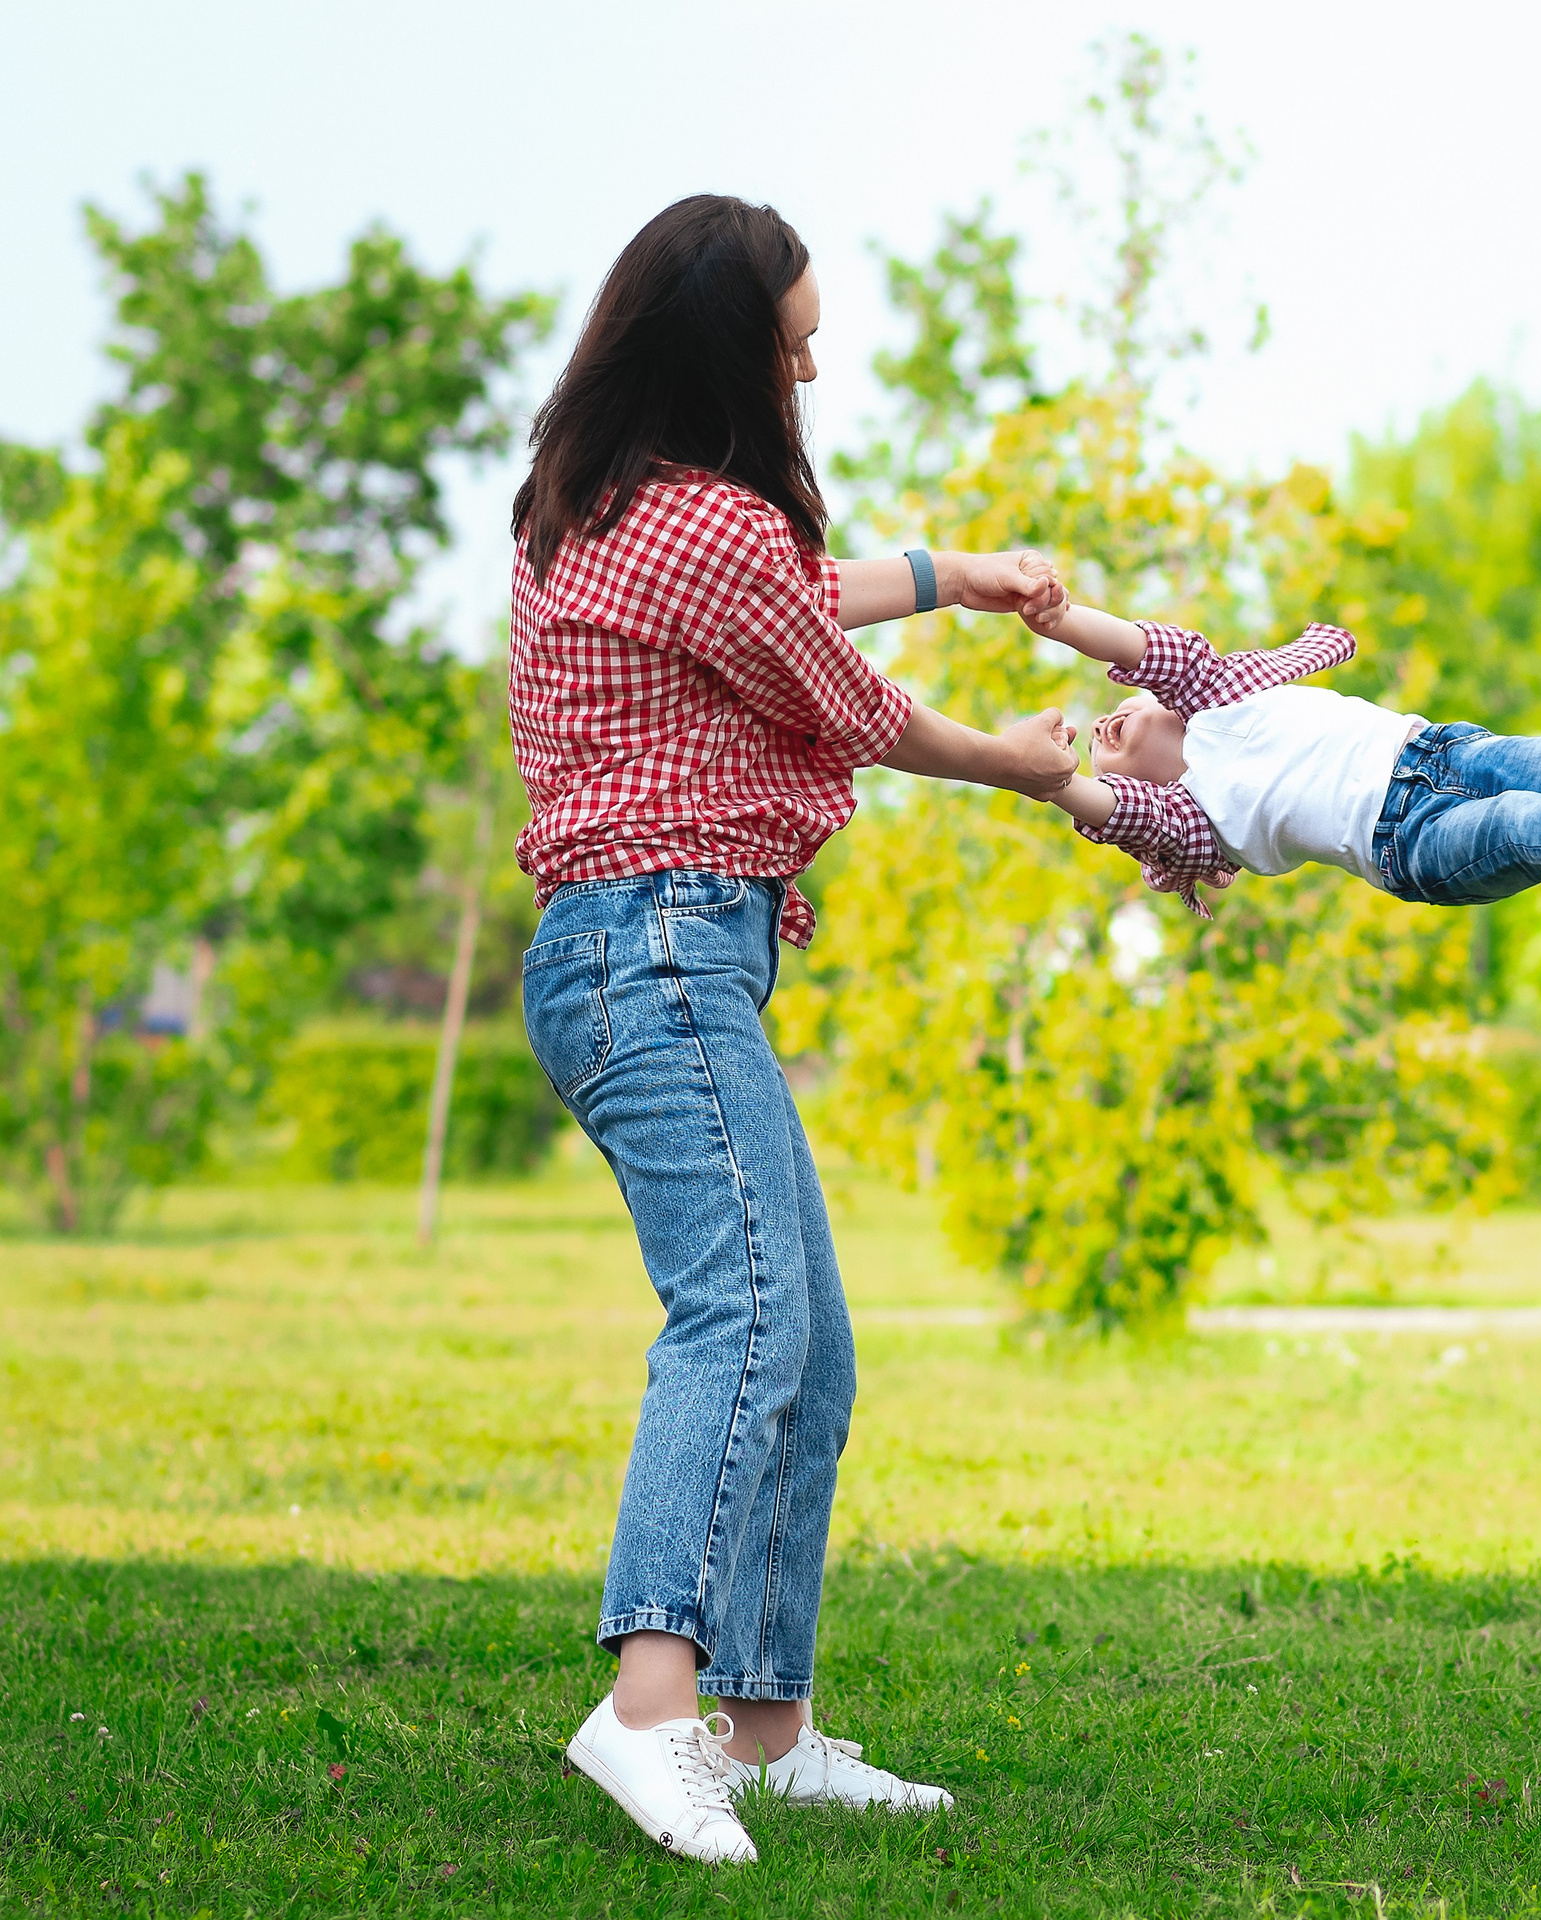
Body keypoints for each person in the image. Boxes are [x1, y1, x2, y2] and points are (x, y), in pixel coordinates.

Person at [507, 195, 1076, 1866]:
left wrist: (954, 574)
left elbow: (787, 596)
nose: (812, 367)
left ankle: (761, 1732)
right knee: (742, 1317)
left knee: (805, 1348)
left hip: (656, 956)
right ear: (723, 353)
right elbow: (849, 698)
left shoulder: (609, 505)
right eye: (795, 342)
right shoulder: (697, 527)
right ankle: (649, 1710)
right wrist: (1039, 764)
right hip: (656, 952)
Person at [1013, 594, 1541, 912]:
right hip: (1407, 843)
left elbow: (1145, 647)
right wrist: (1057, 784)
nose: (1101, 729)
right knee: (1520, 819)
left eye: (1114, 708)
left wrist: (1061, 620)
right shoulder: (1195, 819)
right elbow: (1119, 813)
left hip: (1438, 749)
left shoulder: (1219, 693)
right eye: (1096, 750)